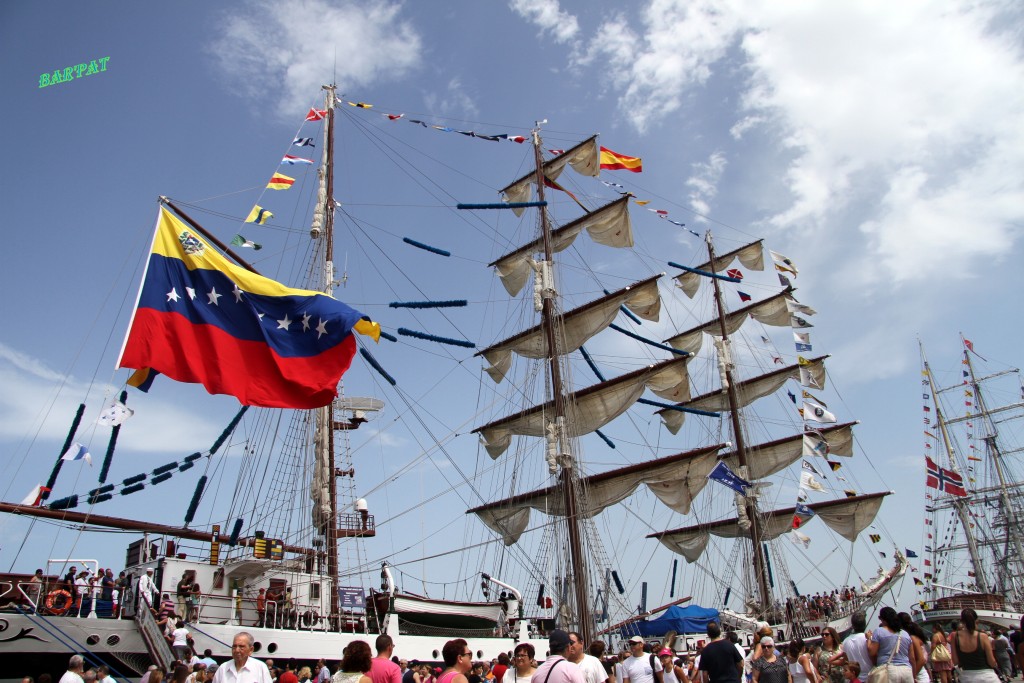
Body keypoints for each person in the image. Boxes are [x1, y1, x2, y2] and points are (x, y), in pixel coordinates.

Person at [951, 608, 1000, 683]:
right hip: (987, 677)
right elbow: (991, 662)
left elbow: (955, 661)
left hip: (967, 678)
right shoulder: (983, 636)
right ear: (976, 620)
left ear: (962, 621)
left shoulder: (955, 636)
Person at [866, 607, 914, 683]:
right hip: (906, 670)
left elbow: (872, 652)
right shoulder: (905, 634)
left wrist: (869, 639)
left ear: (882, 618)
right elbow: (912, 658)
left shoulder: (879, 631)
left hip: (889, 670)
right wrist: (914, 675)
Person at [831, 611, 872, 683]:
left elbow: (845, 660)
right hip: (869, 677)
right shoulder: (868, 639)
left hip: (855, 678)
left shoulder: (846, 641)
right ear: (865, 624)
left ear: (852, 626)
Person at [898, 613, 929, 683]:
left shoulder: (913, 638)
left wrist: (912, 676)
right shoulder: (912, 637)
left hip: (919, 676)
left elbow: (921, 660)